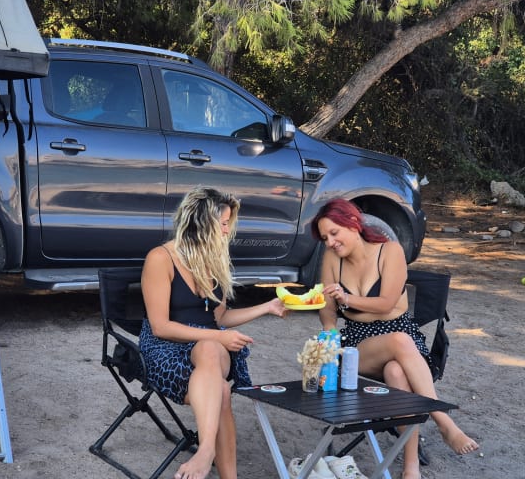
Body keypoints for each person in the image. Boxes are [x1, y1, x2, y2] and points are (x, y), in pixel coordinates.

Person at [311, 198, 479, 479]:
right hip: (359, 343)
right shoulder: (332, 259)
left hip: (403, 339)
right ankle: (443, 421)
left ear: (352, 224)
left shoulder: (390, 251)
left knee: (396, 371)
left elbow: (386, 303)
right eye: (325, 237)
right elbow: (328, 310)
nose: (330, 242)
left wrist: (347, 298)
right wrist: (329, 333)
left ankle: (410, 465)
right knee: (398, 342)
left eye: (334, 233)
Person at [140, 186, 288, 479]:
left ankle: (205, 452)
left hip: (208, 350)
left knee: (209, 349)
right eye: (222, 223)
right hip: (166, 348)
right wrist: (218, 336)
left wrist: (267, 307)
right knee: (220, 388)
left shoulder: (213, 260)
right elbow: (160, 326)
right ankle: (211, 455)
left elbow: (220, 318)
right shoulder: (161, 258)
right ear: (202, 222)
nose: (226, 230)